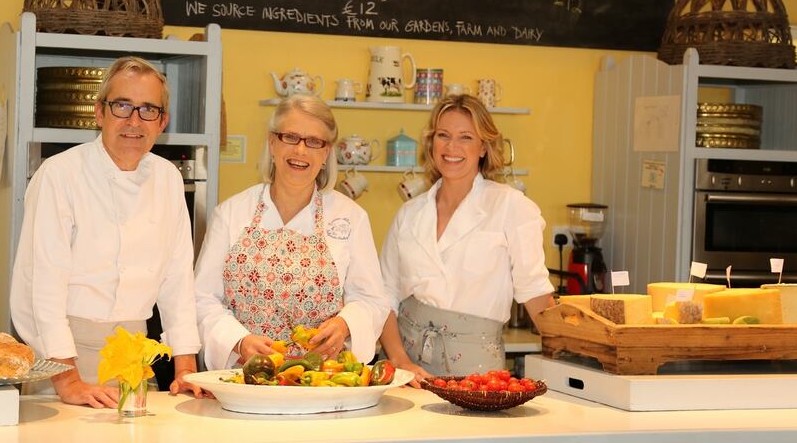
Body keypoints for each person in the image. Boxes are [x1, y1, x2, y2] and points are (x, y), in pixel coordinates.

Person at [10, 56, 203, 408]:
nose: (134, 121)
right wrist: (67, 380)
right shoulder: (59, 175)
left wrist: (185, 367)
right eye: (122, 106)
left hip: (135, 352)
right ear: (99, 113)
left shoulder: (168, 178)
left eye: (148, 109)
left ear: (163, 122)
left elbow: (177, 279)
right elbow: (43, 285)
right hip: (64, 354)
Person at [195, 95, 390, 370]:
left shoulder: (351, 217)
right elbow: (203, 297)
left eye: (314, 142)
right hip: (245, 375)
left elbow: (372, 300)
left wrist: (345, 324)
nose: (300, 151)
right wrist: (239, 340)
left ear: (326, 153)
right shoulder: (230, 214)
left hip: (323, 378)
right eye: (290, 137)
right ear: (272, 143)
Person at [379, 94, 555, 384]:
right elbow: (384, 296)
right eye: (443, 136)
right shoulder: (409, 214)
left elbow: (535, 292)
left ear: (483, 147)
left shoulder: (512, 207)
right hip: (408, 373)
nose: (451, 147)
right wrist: (400, 362)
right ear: (431, 143)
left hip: (479, 376)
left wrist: (571, 355)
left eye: (465, 137)